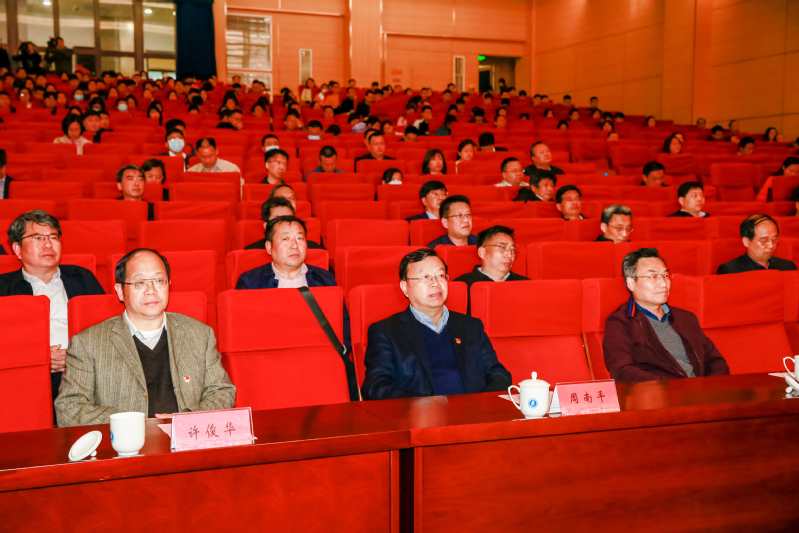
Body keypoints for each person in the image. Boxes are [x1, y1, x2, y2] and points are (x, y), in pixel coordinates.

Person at [55, 248, 236, 427]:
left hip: (186, 440)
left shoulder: (199, 334)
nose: (151, 290)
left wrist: (186, 420)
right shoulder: (87, 343)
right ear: (120, 291)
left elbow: (222, 392)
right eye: (140, 282)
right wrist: (131, 422)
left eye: (159, 280)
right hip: (123, 443)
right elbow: (69, 408)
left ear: (169, 285)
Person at [361, 248, 511, 399]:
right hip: (420, 412)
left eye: (440, 276)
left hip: (473, 410)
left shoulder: (471, 326)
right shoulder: (386, 332)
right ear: (405, 287)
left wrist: (480, 404)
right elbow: (375, 387)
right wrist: (422, 404)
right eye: (425, 277)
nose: (435, 283)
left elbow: (498, 374)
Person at [235, 216, 357, 400]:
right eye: (285, 239)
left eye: (300, 238)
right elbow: (243, 333)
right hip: (270, 367)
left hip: (319, 364)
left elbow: (342, 323)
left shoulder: (325, 279)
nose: (294, 245)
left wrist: (337, 352)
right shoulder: (250, 282)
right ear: (269, 247)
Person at [0, 210, 105, 420]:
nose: (48, 244)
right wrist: (38, 357)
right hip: (27, 375)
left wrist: (79, 358)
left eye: (53, 237)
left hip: (83, 372)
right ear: (17, 249)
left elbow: (107, 326)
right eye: (37, 238)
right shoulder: (3, 287)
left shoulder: (82, 278)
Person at [603, 248, 730, 382]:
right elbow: (622, 371)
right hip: (658, 392)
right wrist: (671, 388)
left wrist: (709, 386)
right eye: (653, 276)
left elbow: (716, 361)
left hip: (700, 390)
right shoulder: (620, 322)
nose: (664, 283)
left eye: (665, 275)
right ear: (631, 283)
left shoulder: (686, 318)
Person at [454, 226, 530, 315]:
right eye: (502, 248)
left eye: (512, 250)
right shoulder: (462, 286)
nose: (509, 255)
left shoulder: (526, 285)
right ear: (482, 252)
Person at [716, 214, 797, 274]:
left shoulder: (788, 267)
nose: (771, 245)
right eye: (764, 240)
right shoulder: (730, 270)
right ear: (746, 241)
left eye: (774, 239)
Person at [244, 198, 323, 250]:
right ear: (266, 226)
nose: (285, 224)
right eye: (278, 219)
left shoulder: (313, 248)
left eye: (289, 218)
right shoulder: (251, 251)